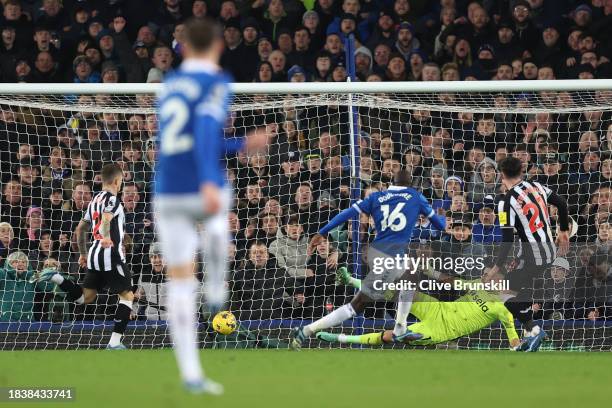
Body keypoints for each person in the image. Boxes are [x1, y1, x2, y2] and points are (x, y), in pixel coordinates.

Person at [153, 18, 268, 394]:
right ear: (218, 46)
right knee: (219, 223)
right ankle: (217, 283)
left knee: (181, 283)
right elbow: (204, 132)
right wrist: (236, 150)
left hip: (166, 190)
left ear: (182, 49)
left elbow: (181, 139)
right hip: (200, 185)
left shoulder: (168, 86)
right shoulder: (216, 82)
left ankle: (191, 374)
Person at [290, 170, 446, 349]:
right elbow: (440, 226)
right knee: (357, 305)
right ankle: (307, 330)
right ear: (410, 183)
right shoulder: (415, 196)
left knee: (411, 274)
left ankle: (400, 328)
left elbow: (347, 213)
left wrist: (322, 232)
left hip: (381, 252)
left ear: (390, 184)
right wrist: (441, 215)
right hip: (389, 257)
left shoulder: (377, 197)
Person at [38, 164, 134, 350]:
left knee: (85, 298)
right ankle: (114, 343)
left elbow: (80, 228)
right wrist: (106, 236)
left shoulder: (95, 199)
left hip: (94, 255)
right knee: (127, 296)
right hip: (110, 254)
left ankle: (56, 277)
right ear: (116, 181)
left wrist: (83, 253)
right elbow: (106, 219)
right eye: (121, 181)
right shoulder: (113, 200)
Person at [484, 156, 570, 352]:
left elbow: (507, 239)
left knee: (501, 293)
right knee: (514, 293)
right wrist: (563, 230)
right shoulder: (537, 186)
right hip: (549, 252)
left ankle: (534, 330)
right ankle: (529, 336)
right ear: (521, 171)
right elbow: (562, 203)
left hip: (534, 257)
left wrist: (497, 267)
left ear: (501, 175)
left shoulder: (506, 202)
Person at [320, 267, 520, 350]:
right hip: (439, 309)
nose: (486, 277)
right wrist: (428, 269)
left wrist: (518, 345)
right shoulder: (477, 284)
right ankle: (351, 280)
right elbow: (452, 282)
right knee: (401, 291)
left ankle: (341, 338)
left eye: (490, 275)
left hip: (443, 330)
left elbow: (512, 337)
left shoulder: (503, 309)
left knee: (396, 336)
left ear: (500, 281)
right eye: (486, 274)